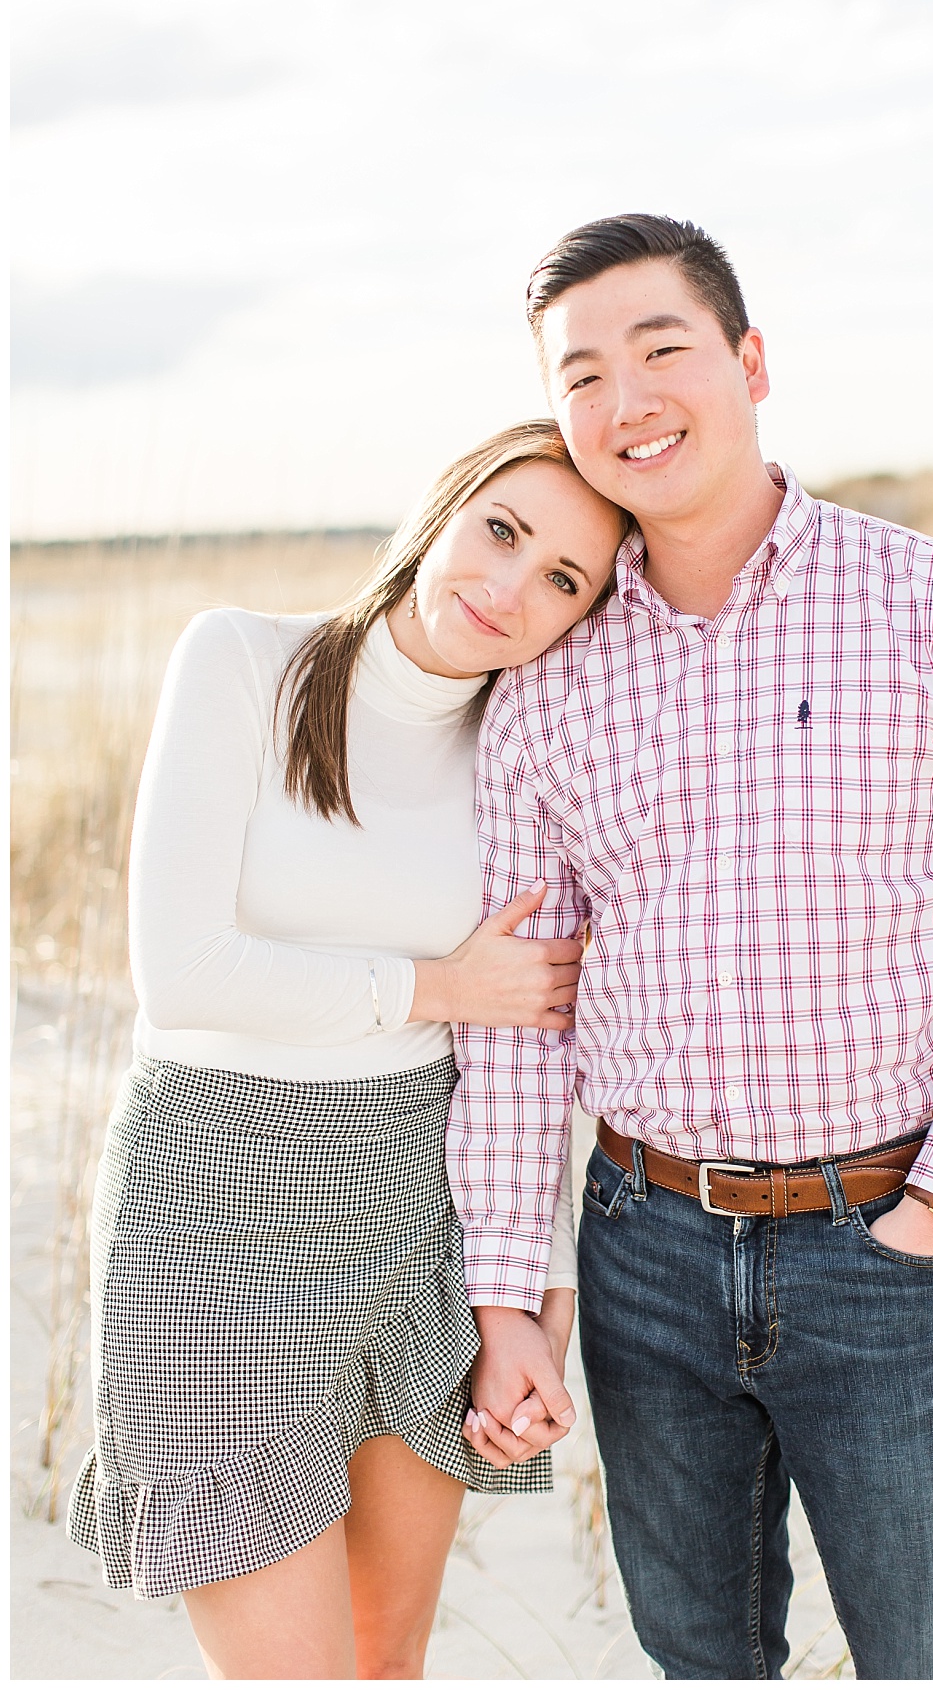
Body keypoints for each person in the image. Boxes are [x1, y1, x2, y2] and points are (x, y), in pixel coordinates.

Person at [449, 216, 933, 1680]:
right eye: (583, 374)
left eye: (661, 347)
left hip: (879, 1239)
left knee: (931, 1657)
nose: (627, 398)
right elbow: (517, 1022)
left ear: (749, 360)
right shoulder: (549, 673)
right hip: (643, 1250)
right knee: (701, 1658)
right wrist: (509, 1297)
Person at [67, 420, 626, 1681]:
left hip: (411, 1204)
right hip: (211, 1204)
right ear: (444, 507)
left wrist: (536, 1292)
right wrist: (435, 982)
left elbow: (522, 1049)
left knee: (387, 1660)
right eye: (503, 530)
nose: (510, 586)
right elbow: (183, 967)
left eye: (563, 580)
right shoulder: (242, 662)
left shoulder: (520, 755)